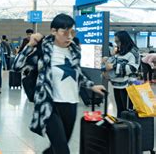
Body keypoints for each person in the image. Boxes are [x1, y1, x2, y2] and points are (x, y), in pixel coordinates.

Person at [12, 13, 105, 154]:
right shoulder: (43, 49)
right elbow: (16, 66)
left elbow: (77, 75)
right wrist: (30, 45)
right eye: (65, 32)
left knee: (56, 147)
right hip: (49, 105)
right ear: (54, 31)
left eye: (72, 32)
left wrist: (92, 86)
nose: (69, 36)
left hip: (71, 104)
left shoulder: (74, 50)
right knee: (62, 150)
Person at [105, 30, 140, 117]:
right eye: (115, 41)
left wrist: (113, 66)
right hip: (117, 84)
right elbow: (113, 63)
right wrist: (109, 59)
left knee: (126, 111)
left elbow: (132, 68)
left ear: (124, 40)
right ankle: (120, 129)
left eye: (118, 41)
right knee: (120, 109)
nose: (117, 44)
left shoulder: (133, 52)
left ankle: (127, 129)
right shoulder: (120, 51)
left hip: (127, 86)